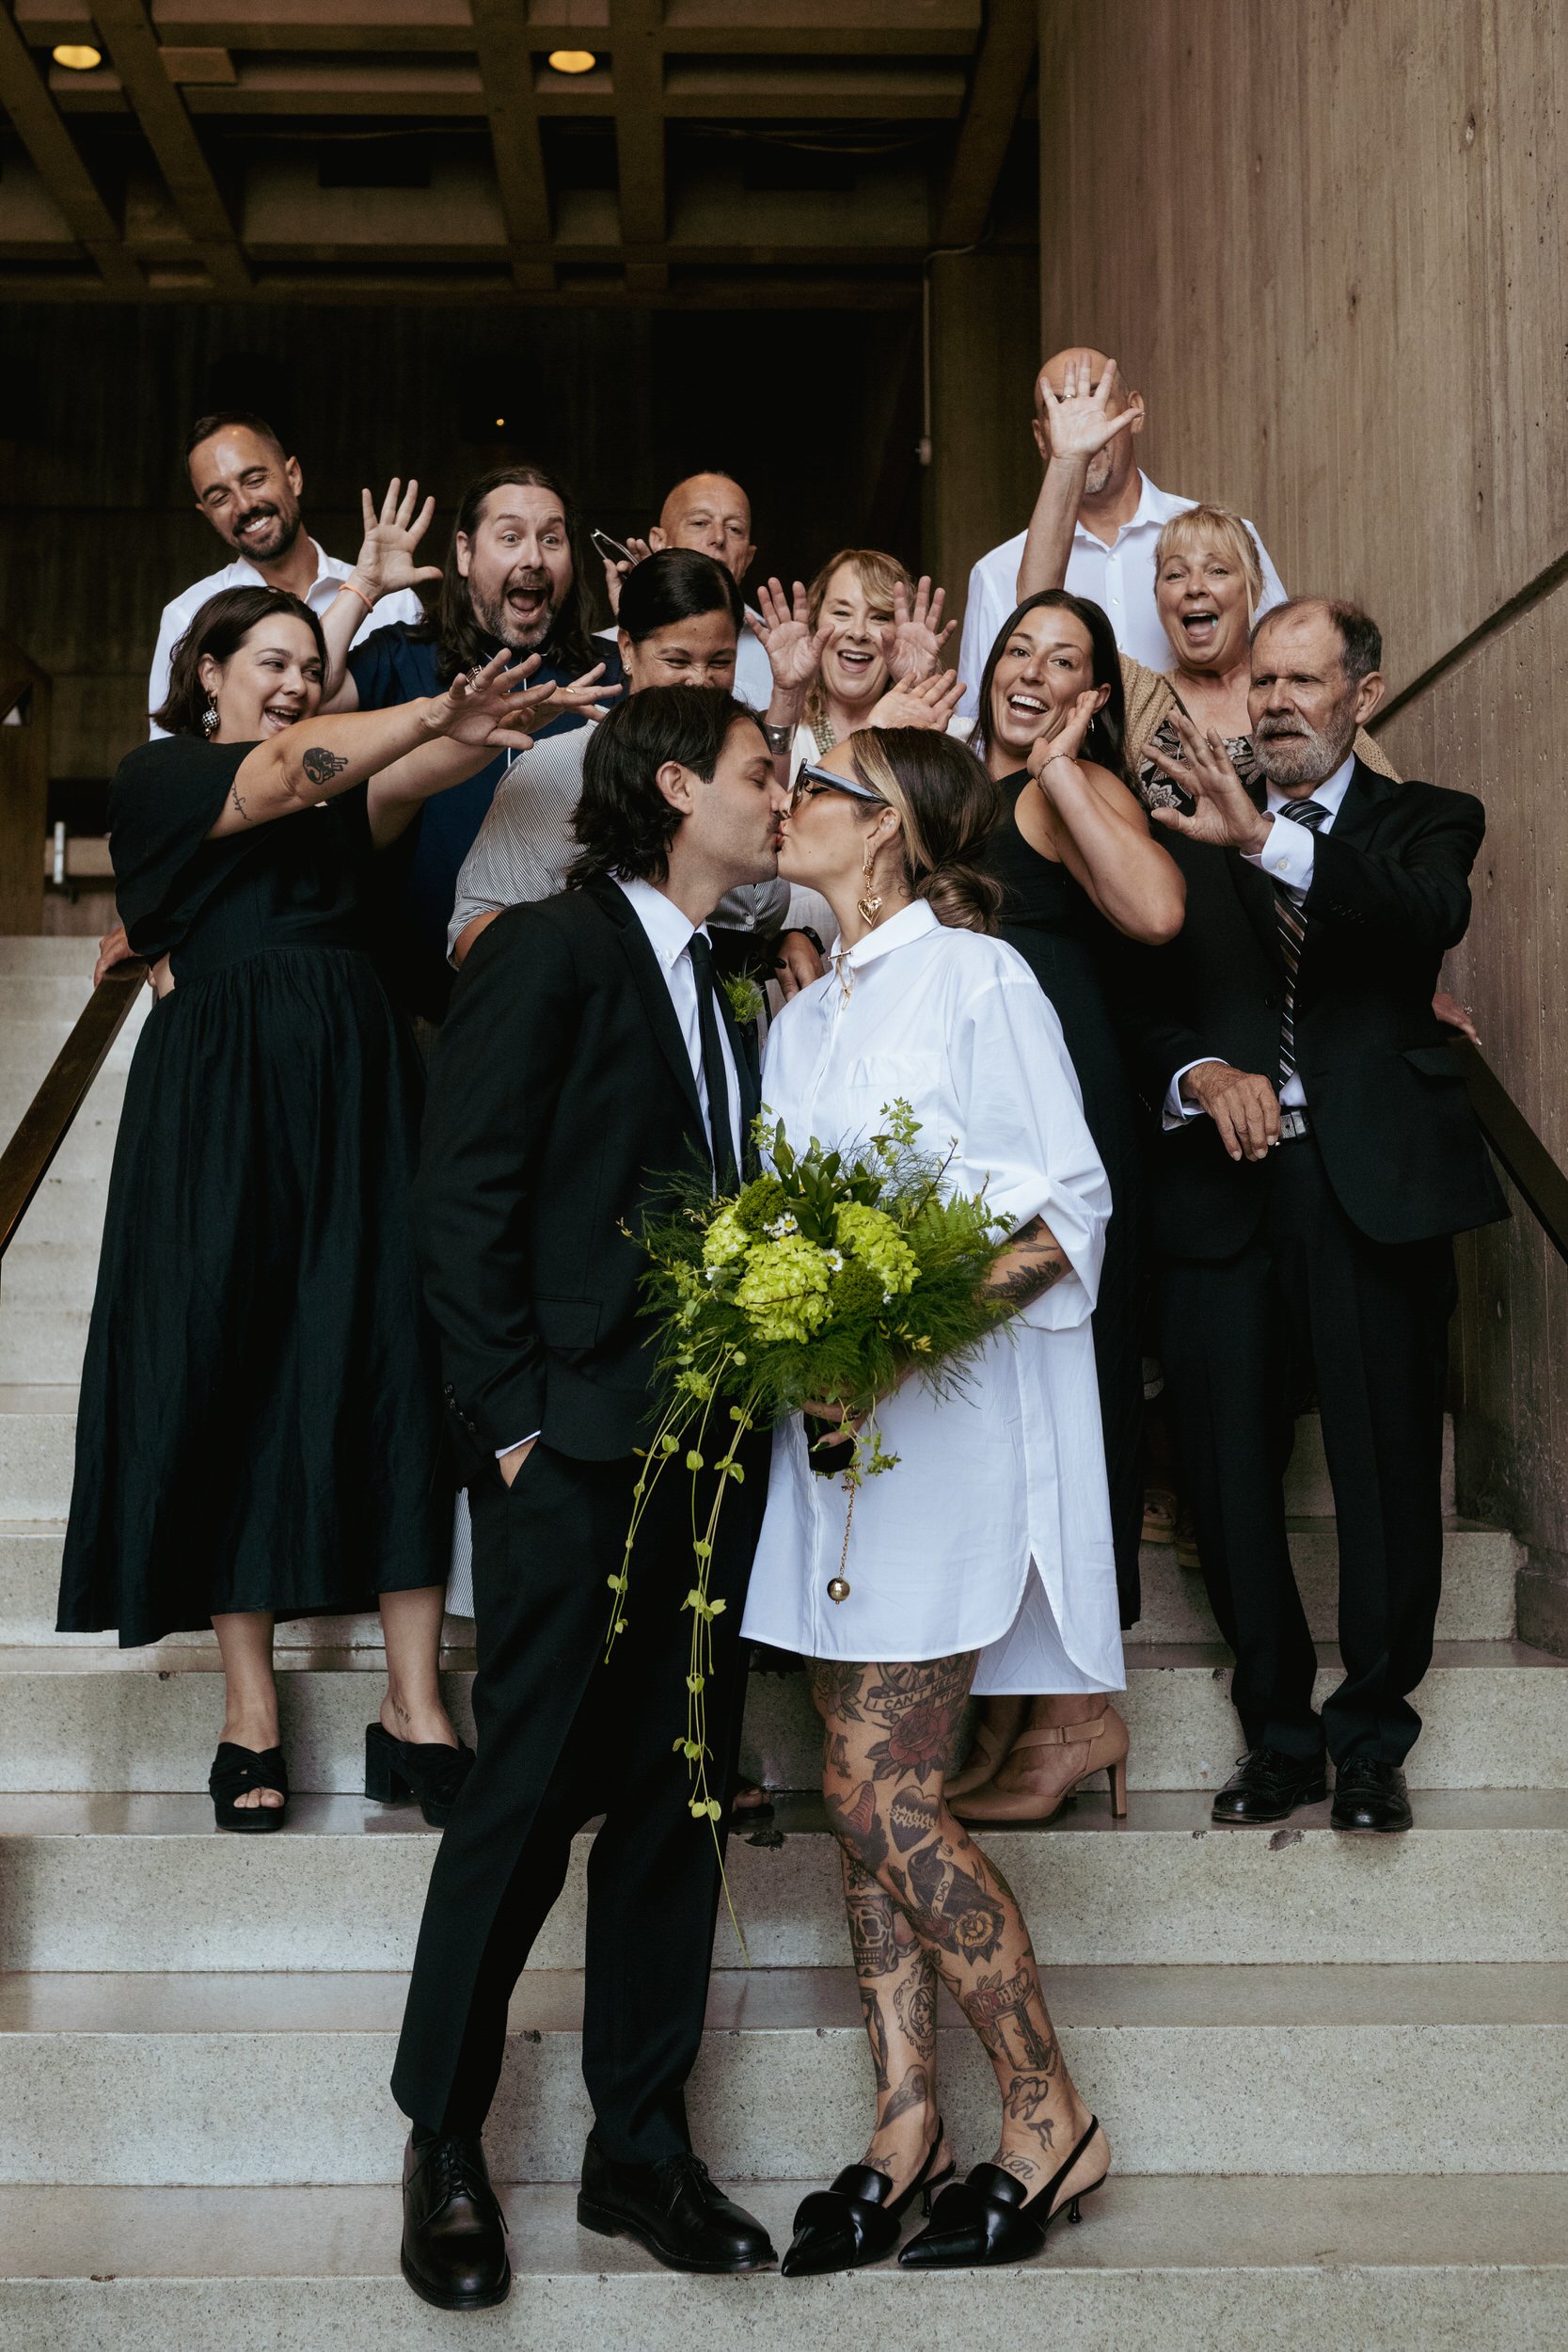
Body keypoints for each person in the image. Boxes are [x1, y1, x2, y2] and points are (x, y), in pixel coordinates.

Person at [57, 585, 601, 1834]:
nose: (297, 680)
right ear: (207, 674)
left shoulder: (350, 782)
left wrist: (500, 722)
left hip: (359, 1096)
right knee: (229, 1371)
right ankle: (249, 1711)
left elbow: (421, 768)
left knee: (395, 1369)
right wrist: (424, 709)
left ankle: (416, 1710)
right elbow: (287, 775)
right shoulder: (162, 775)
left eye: (313, 663)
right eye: (271, 660)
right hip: (215, 1108)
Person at [393, 686, 790, 2309]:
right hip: (569, 1459)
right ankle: (439, 2138)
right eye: (767, 773)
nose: (787, 796)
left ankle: (641, 2150)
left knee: (679, 1804)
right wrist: (507, 1435)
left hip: (708, 1458)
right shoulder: (552, 952)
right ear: (679, 783)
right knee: (521, 1802)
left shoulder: (732, 986)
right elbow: (463, 1191)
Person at [741, 727, 1118, 2276]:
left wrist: (892, 1336)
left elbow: (1059, 1207)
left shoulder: (981, 979)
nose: (791, 801)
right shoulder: (802, 1015)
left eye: (821, 787)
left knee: (880, 1787)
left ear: (895, 831)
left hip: (952, 1434)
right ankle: (906, 2119)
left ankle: (1046, 2116)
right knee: (851, 1795)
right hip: (836, 1454)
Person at [1130, 597, 1509, 1836]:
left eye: (1303, 680)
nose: (1277, 701)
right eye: (1261, 680)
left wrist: (1266, 844)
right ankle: (1276, 1735)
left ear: (1365, 694)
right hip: (1216, 1186)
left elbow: (1418, 918)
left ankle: (1367, 1740)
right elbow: (1126, 995)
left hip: (1370, 1193)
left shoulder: (1423, 821)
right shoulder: (1174, 814)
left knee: (1386, 1471)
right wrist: (1193, 1072)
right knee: (1227, 1475)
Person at [944, 589, 1184, 1821]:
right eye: (1018, 648)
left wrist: (1062, 767)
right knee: (999, 1421)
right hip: (974, 1136)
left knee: (1071, 1409)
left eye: (1067, 660)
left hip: (1057, 1132)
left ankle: (1081, 1714)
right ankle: (1024, 1703)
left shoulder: (1055, 790)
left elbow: (1153, 911)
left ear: (1091, 695)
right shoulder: (951, 784)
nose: (1033, 670)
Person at [324, 462, 621, 1017]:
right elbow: (305, 694)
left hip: (580, 1007)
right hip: (420, 1003)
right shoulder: (402, 656)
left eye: (551, 539)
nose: (533, 557)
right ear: (464, 553)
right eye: (510, 537)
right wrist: (363, 587)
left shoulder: (608, 676)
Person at [448, 548, 798, 975]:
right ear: (627, 650)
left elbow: (756, 913)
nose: (700, 682)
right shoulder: (559, 767)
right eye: (677, 660)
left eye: (720, 662)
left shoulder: (745, 777)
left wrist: (780, 941)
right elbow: (472, 932)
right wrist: (606, 985)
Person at [955, 347, 1287, 715]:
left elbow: (1287, 661)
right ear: (1041, 436)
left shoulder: (1225, 539)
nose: (1082, 422)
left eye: (1096, 399)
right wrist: (1070, 461)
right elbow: (978, 726)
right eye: (1060, 408)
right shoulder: (998, 571)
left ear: (1135, 412)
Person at [148, 412, 426, 735]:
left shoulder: (395, 601)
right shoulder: (187, 615)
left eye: (254, 480)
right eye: (219, 498)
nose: (244, 505)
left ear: (293, 476)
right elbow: (166, 755)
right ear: (206, 513)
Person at [597, 469, 773, 707]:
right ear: (660, 541)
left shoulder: (778, 652)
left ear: (748, 557)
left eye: (734, 529)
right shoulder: (598, 650)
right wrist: (642, 618)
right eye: (700, 523)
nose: (718, 538)